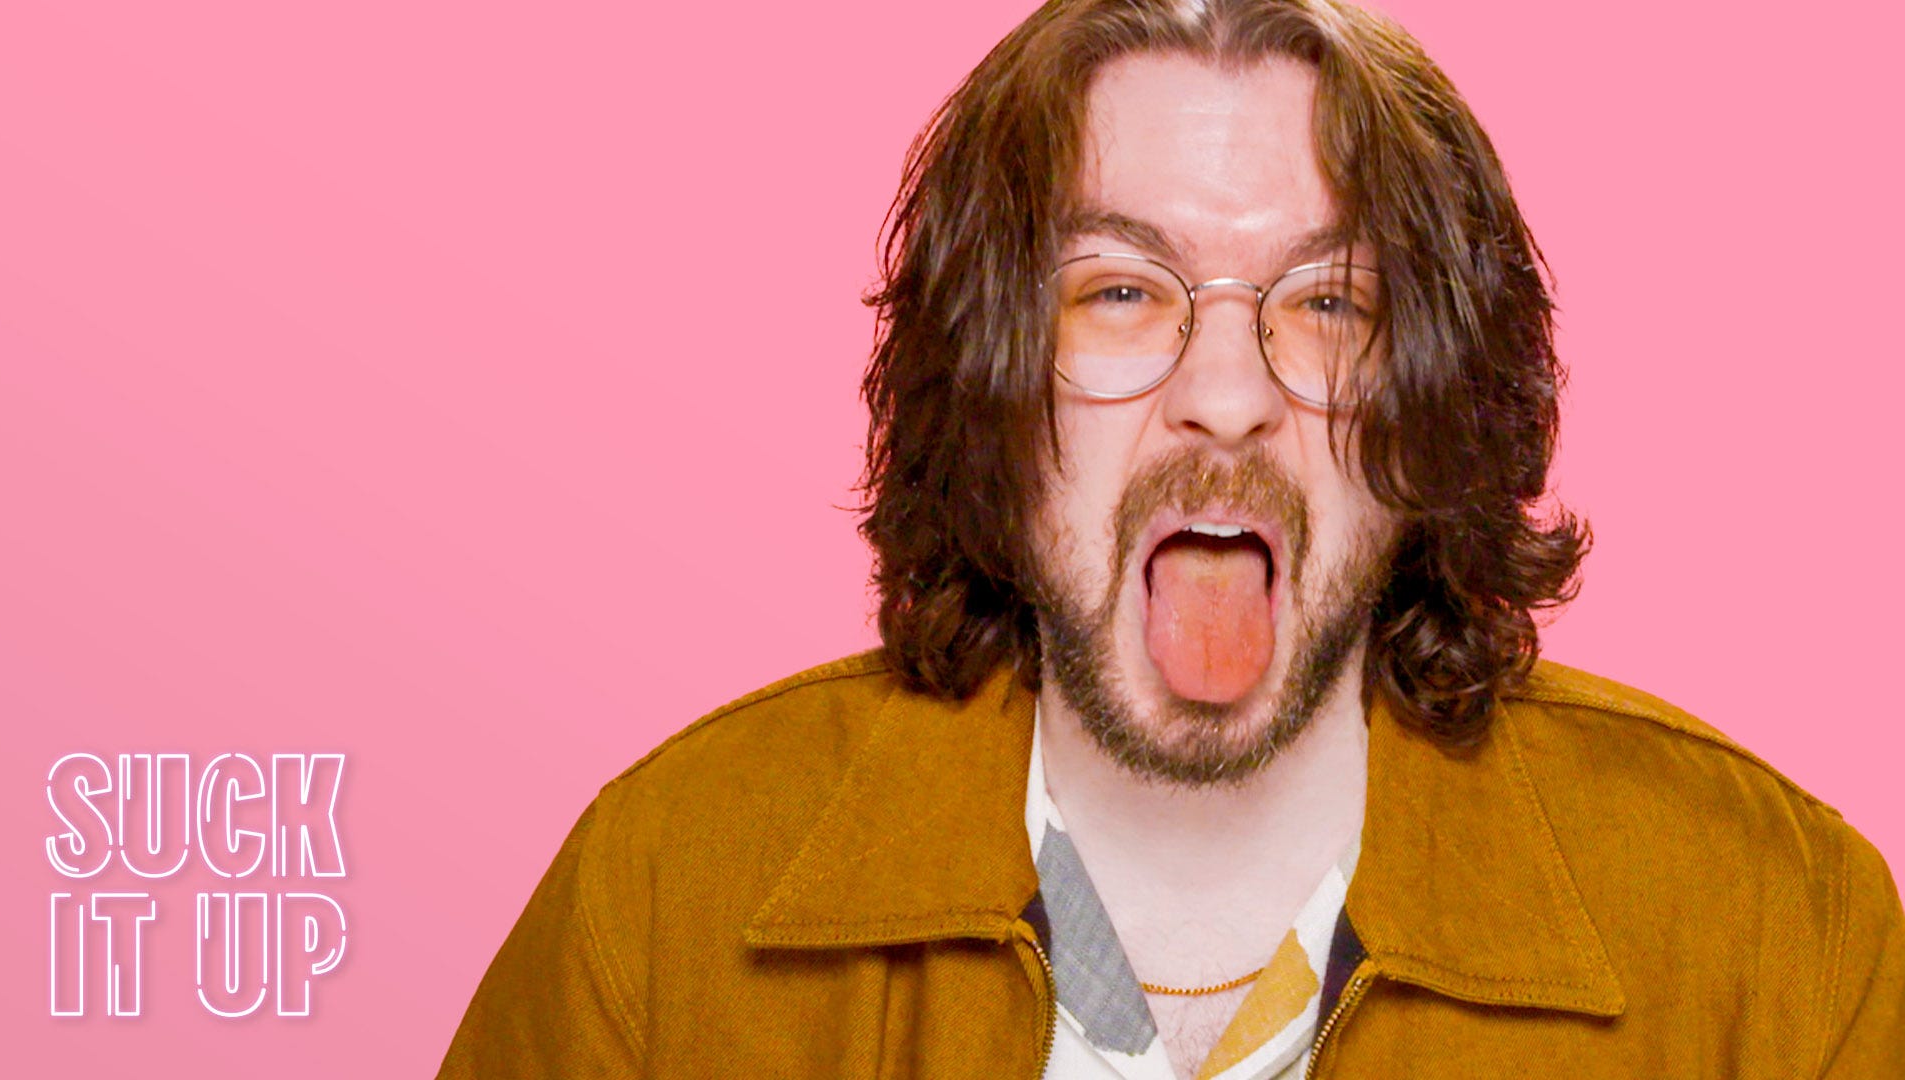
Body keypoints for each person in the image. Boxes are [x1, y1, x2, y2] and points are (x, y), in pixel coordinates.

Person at [438, 0, 1903, 1075]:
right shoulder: (659, 908)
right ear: (993, 394)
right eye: (1119, 293)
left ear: (1431, 411)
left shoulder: (1780, 948)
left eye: (1329, 305)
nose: (1223, 399)